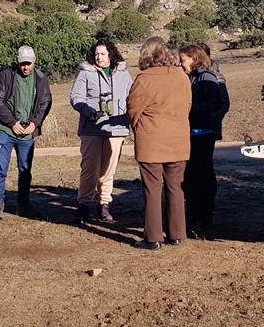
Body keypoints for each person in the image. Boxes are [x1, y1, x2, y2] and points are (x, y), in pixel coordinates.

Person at [127, 37, 191, 250]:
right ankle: (177, 234)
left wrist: (138, 127)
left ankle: (153, 238)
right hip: (179, 140)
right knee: (175, 186)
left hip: (151, 141)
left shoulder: (144, 78)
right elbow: (187, 105)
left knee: (152, 188)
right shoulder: (181, 76)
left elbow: (132, 110)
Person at [0, 45, 52, 220]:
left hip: (28, 132)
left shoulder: (40, 78)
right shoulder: (6, 75)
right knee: (1, 167)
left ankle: (23, 205)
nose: (26, 67)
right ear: (17, 61)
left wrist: (35, 123)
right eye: (23, 63)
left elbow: (45, 102)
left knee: (25, 169)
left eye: (28, 63)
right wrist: (12, 122)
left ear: (34, 61)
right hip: (5, 129)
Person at [69, 39, 133, 224]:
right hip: (92, 128)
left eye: (103, 54)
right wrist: (89, 111)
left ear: (111, 55)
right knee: (90, 168)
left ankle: (104, 204)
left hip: (116, 127)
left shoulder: (124, 73)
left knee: (108, 169)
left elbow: (132, 95)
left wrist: (128, 109)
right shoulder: (85, 73)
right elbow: (75, 97)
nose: (99, 57)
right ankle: (84, 204)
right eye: (97, 54)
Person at [179, 44, 221, 235]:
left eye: (183, 60)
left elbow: (215, 103)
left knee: (201, 176)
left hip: (202, 133)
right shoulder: (189, 77)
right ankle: (193, 216)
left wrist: (190, 110)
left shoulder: (207, 77)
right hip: (189, 133)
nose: (181, 64)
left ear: (194, 59)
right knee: (189, 177)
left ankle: (205, 218)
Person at [197, 43, 230, 141]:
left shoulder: (214, 75)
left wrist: (213, 121)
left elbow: (224, 103)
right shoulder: (193, 75)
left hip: (208, 127)